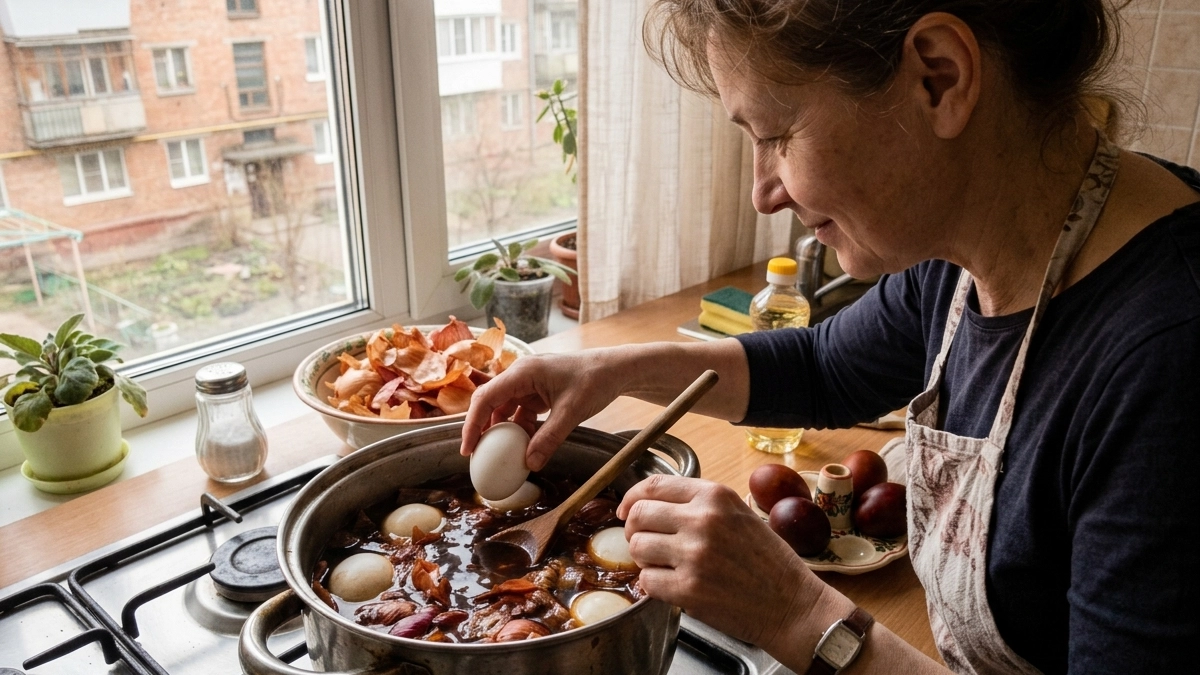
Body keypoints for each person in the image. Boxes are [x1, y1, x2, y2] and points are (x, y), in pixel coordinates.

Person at [460, 1, 1200, 673]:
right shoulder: (971, 253)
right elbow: (820, 366)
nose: (763, 189)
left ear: (938, 78)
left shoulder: (1167, 355)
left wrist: (801, 613)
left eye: (777, 134)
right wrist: (608, 371)